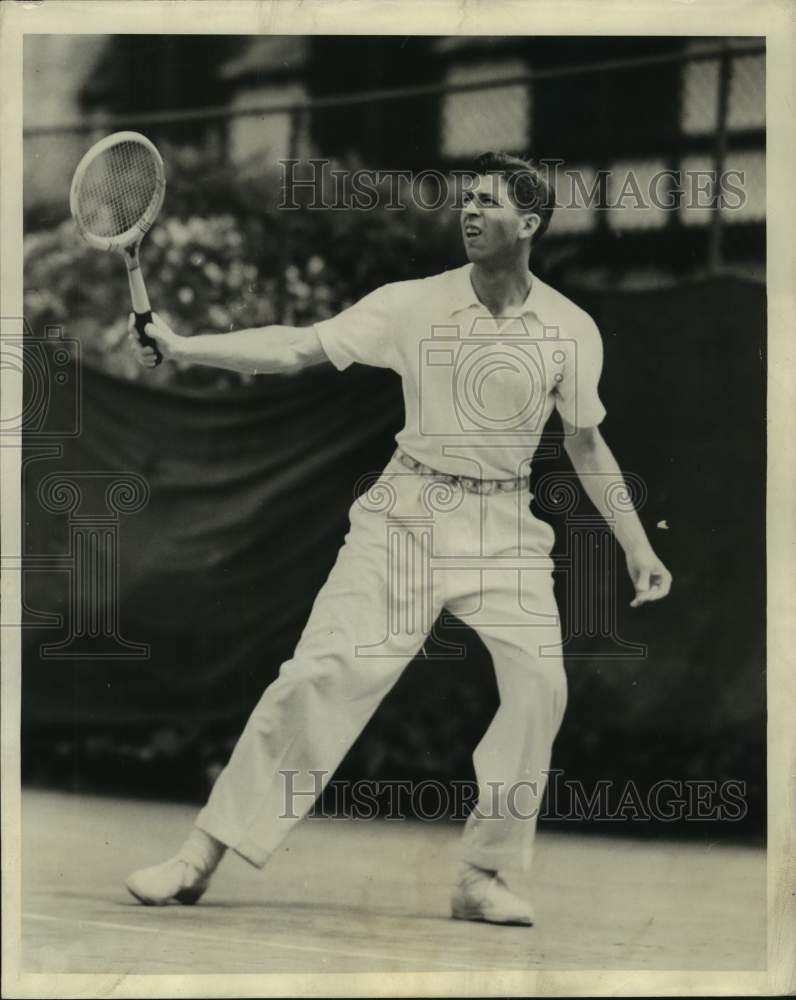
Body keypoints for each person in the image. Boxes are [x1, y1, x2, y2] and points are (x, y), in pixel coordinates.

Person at [124, 151, 672, 925]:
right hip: (407, 516)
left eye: (488, 201)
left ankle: (483, 874)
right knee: (316, 676)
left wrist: (636, 545)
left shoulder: (571, 330)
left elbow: (585, 443)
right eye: (466, 198)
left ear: (531, 223)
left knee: (542, 688)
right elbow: (294, 347)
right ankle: (198, 857)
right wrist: (182, 347)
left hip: (507, 530)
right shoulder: (411, 304)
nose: (470, 211)